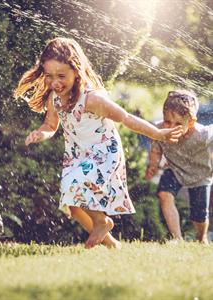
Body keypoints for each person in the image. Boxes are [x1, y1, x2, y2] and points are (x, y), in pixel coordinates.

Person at [15, 37, 183, 249]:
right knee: (73, 207)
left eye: (61, 76)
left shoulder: (91, 99)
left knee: (73, 186)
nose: (55, 82)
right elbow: (50, 125)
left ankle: (102, 221)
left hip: (103, 153)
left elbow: (126, 118)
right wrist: (41, 133)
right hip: (77, 156)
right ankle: (111, 243)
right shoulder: (54, 98)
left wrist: (158, 133)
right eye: (49, 76)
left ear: (76, 72)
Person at [145, 90, 213, 244]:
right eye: (167, 121)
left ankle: (201, 238)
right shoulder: (159, 130)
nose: (171, 127)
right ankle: (177, 238)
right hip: (175, 170)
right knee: (164, 194)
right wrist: (153, 165)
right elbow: (156, 148)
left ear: (191, 122)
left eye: (177, 124)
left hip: (200, 175)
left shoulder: (203, 134)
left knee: (199, 215)